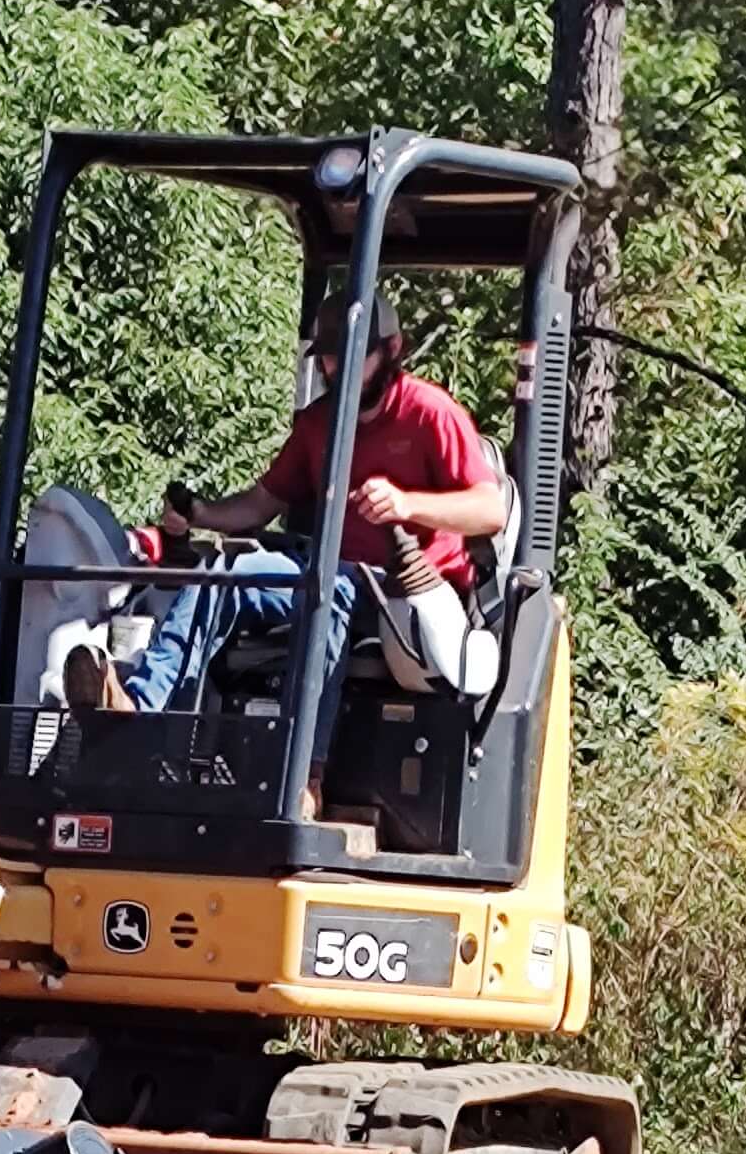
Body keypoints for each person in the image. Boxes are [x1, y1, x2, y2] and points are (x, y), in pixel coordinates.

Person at [85, 294, 507, 809]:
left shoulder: (430, 413)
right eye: (329, 357)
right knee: (227, 572)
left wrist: (406, 503)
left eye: (354, 356)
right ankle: (137, 713)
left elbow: (491, 510)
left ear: (393, 348)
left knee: (323, 592)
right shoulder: (317, 424)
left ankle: (305, 776)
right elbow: (262, 503)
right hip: (330, 571)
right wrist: (199, 514)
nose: (337, 369)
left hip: (407, 598)